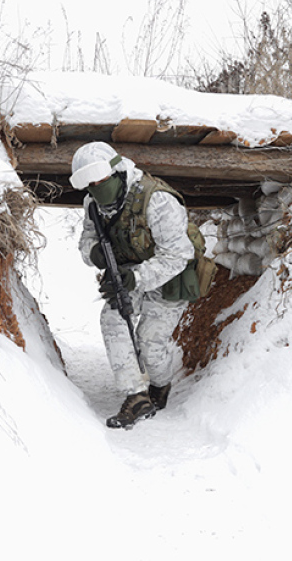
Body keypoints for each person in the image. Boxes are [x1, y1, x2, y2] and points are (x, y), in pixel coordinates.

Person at [70, 141, 204, 429]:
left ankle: (160, 386)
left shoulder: (157, 200)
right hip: (130, 273)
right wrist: (94, 253)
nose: (97, 188)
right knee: (113, 319)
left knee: (150, 342)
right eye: (90, 185)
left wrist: (138, 279)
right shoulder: (93, 203)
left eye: (102, 180)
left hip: (172, 276)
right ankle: (136, 396)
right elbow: (87, 240)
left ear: (117, 172)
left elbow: (179, 255)